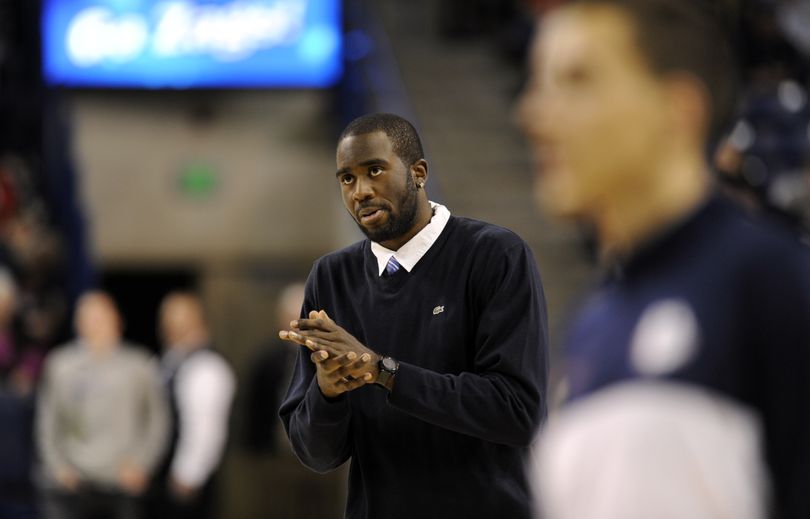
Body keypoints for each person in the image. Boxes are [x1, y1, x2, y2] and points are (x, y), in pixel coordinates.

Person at [518, 1, 810, 518]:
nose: (535, 114)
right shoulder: (590, 323)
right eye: (538, 83)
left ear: (678, 109)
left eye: (577, 80)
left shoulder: (772, 282)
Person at [278, 113, 548, 519]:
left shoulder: (495, 254)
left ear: (418, 172)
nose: (361, 191)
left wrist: (384, 372)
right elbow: (317, 454)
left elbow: (518, 412)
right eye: (347, 179)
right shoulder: (331, 277)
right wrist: (328, 393)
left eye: (374, 170)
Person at [36, 291, 169, 519]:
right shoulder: (61, 365)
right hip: (73, 481)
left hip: (121, 481)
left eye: (100, 317)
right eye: (87, 318)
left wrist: (142, 464)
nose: (94, 325)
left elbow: (158, 421)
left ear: (117, 320)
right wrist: (58, 467)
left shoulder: (138, 365)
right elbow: (47, 421)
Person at [148, 291, 235, 519]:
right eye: (166, 319)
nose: (168, 326)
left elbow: (206, 429)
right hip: (163, 476)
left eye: (176, 319)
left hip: (186, 481)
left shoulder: (207, 366)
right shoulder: (172, 358)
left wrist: (187, 476)